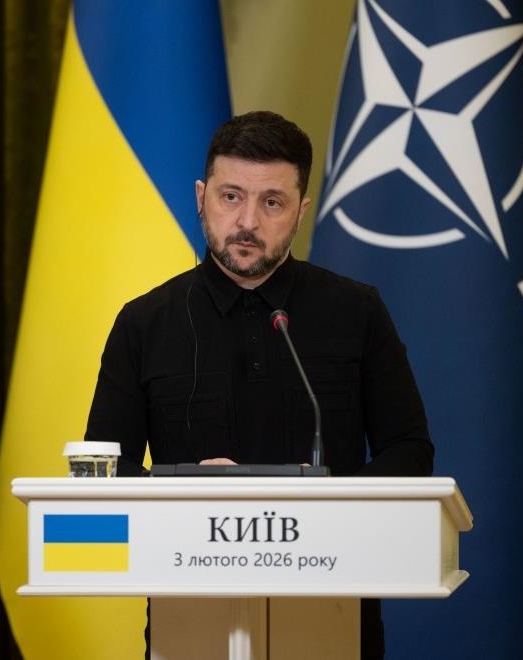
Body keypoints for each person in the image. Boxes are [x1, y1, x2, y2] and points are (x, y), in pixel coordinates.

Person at [85, 110, 433, 658]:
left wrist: (324, 506)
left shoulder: (356, 311)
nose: (247, 221)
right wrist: (180, 493)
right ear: (201, 197)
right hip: (188, 616)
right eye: (231, 197)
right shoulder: (145, 322)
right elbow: (104, 466)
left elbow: (410, 452)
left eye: (272, 202)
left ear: (301, 212)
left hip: (334, 609)